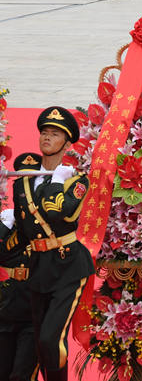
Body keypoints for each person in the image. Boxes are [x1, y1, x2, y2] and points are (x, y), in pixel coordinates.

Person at [1, 107, 94, 381]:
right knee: (42, 347)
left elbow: (60, 212)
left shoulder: (76, 180)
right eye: (44, 132)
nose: (47, 138)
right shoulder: (23, 180)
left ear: (67, 144)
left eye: (55, 134)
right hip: (38, 267)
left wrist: (56, 181)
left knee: (50, 339)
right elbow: (25, 228)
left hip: (68, 266)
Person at [0, 153, 41, 381]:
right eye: (21, 184)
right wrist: (4, 227)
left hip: (33, 315)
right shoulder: (7, 222)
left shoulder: (49, 225)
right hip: (5, 310)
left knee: (21, 376)